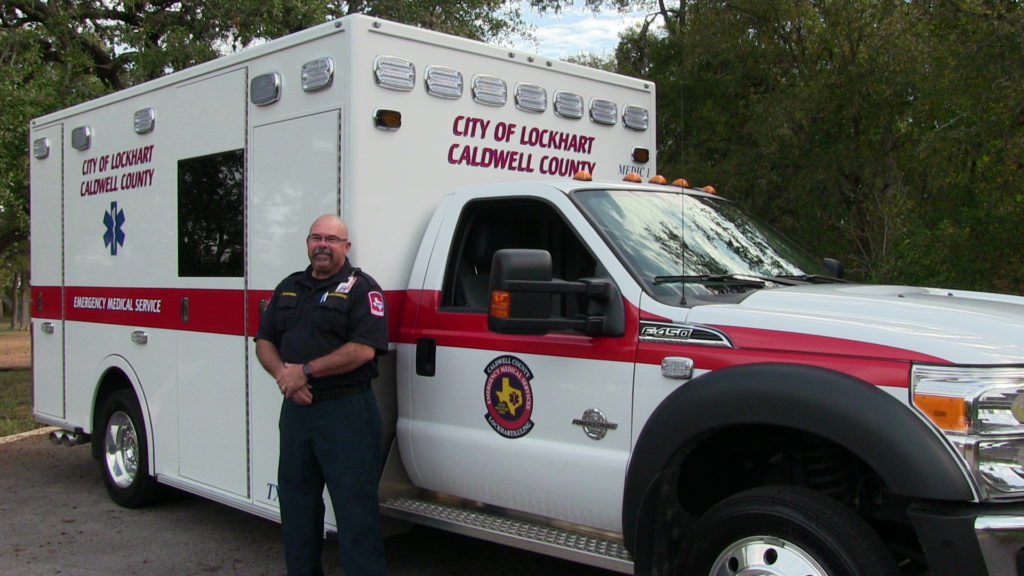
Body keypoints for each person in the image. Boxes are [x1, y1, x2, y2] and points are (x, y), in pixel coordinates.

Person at [255, 214, 388, 576]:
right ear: (308, 243)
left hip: (347, 413)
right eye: (316, 238)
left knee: (355, 513)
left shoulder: (363, 289)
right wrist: (285, 377)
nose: (323, 245)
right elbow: (264, 341)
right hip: (298, 414)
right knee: (297, 508)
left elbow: (363, 349)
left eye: (332, 239)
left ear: (346, 247)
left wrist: (305, 372)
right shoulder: (289, 287)